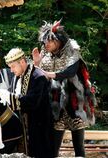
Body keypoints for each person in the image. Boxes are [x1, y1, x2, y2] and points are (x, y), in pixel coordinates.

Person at [32, 19, 96, 157]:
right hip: (55, 104)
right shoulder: (45, 54)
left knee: (79, 148)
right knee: (53, 148)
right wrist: (36, 64)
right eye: (45, 41)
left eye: (49, 41)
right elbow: (38, 77)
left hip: (75, 103)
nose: (46, 44)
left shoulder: (72, 49)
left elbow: (70, 72)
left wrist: (50, 74)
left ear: (58, 40)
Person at [0, 48, 54, 158]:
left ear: (22, 62)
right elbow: (12, 98)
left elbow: (32, 102)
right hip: (23, 129)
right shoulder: (16, 77)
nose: (11, 70)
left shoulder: (38, 76)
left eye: (13, 66)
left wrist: (8, 96)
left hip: (39, 128)